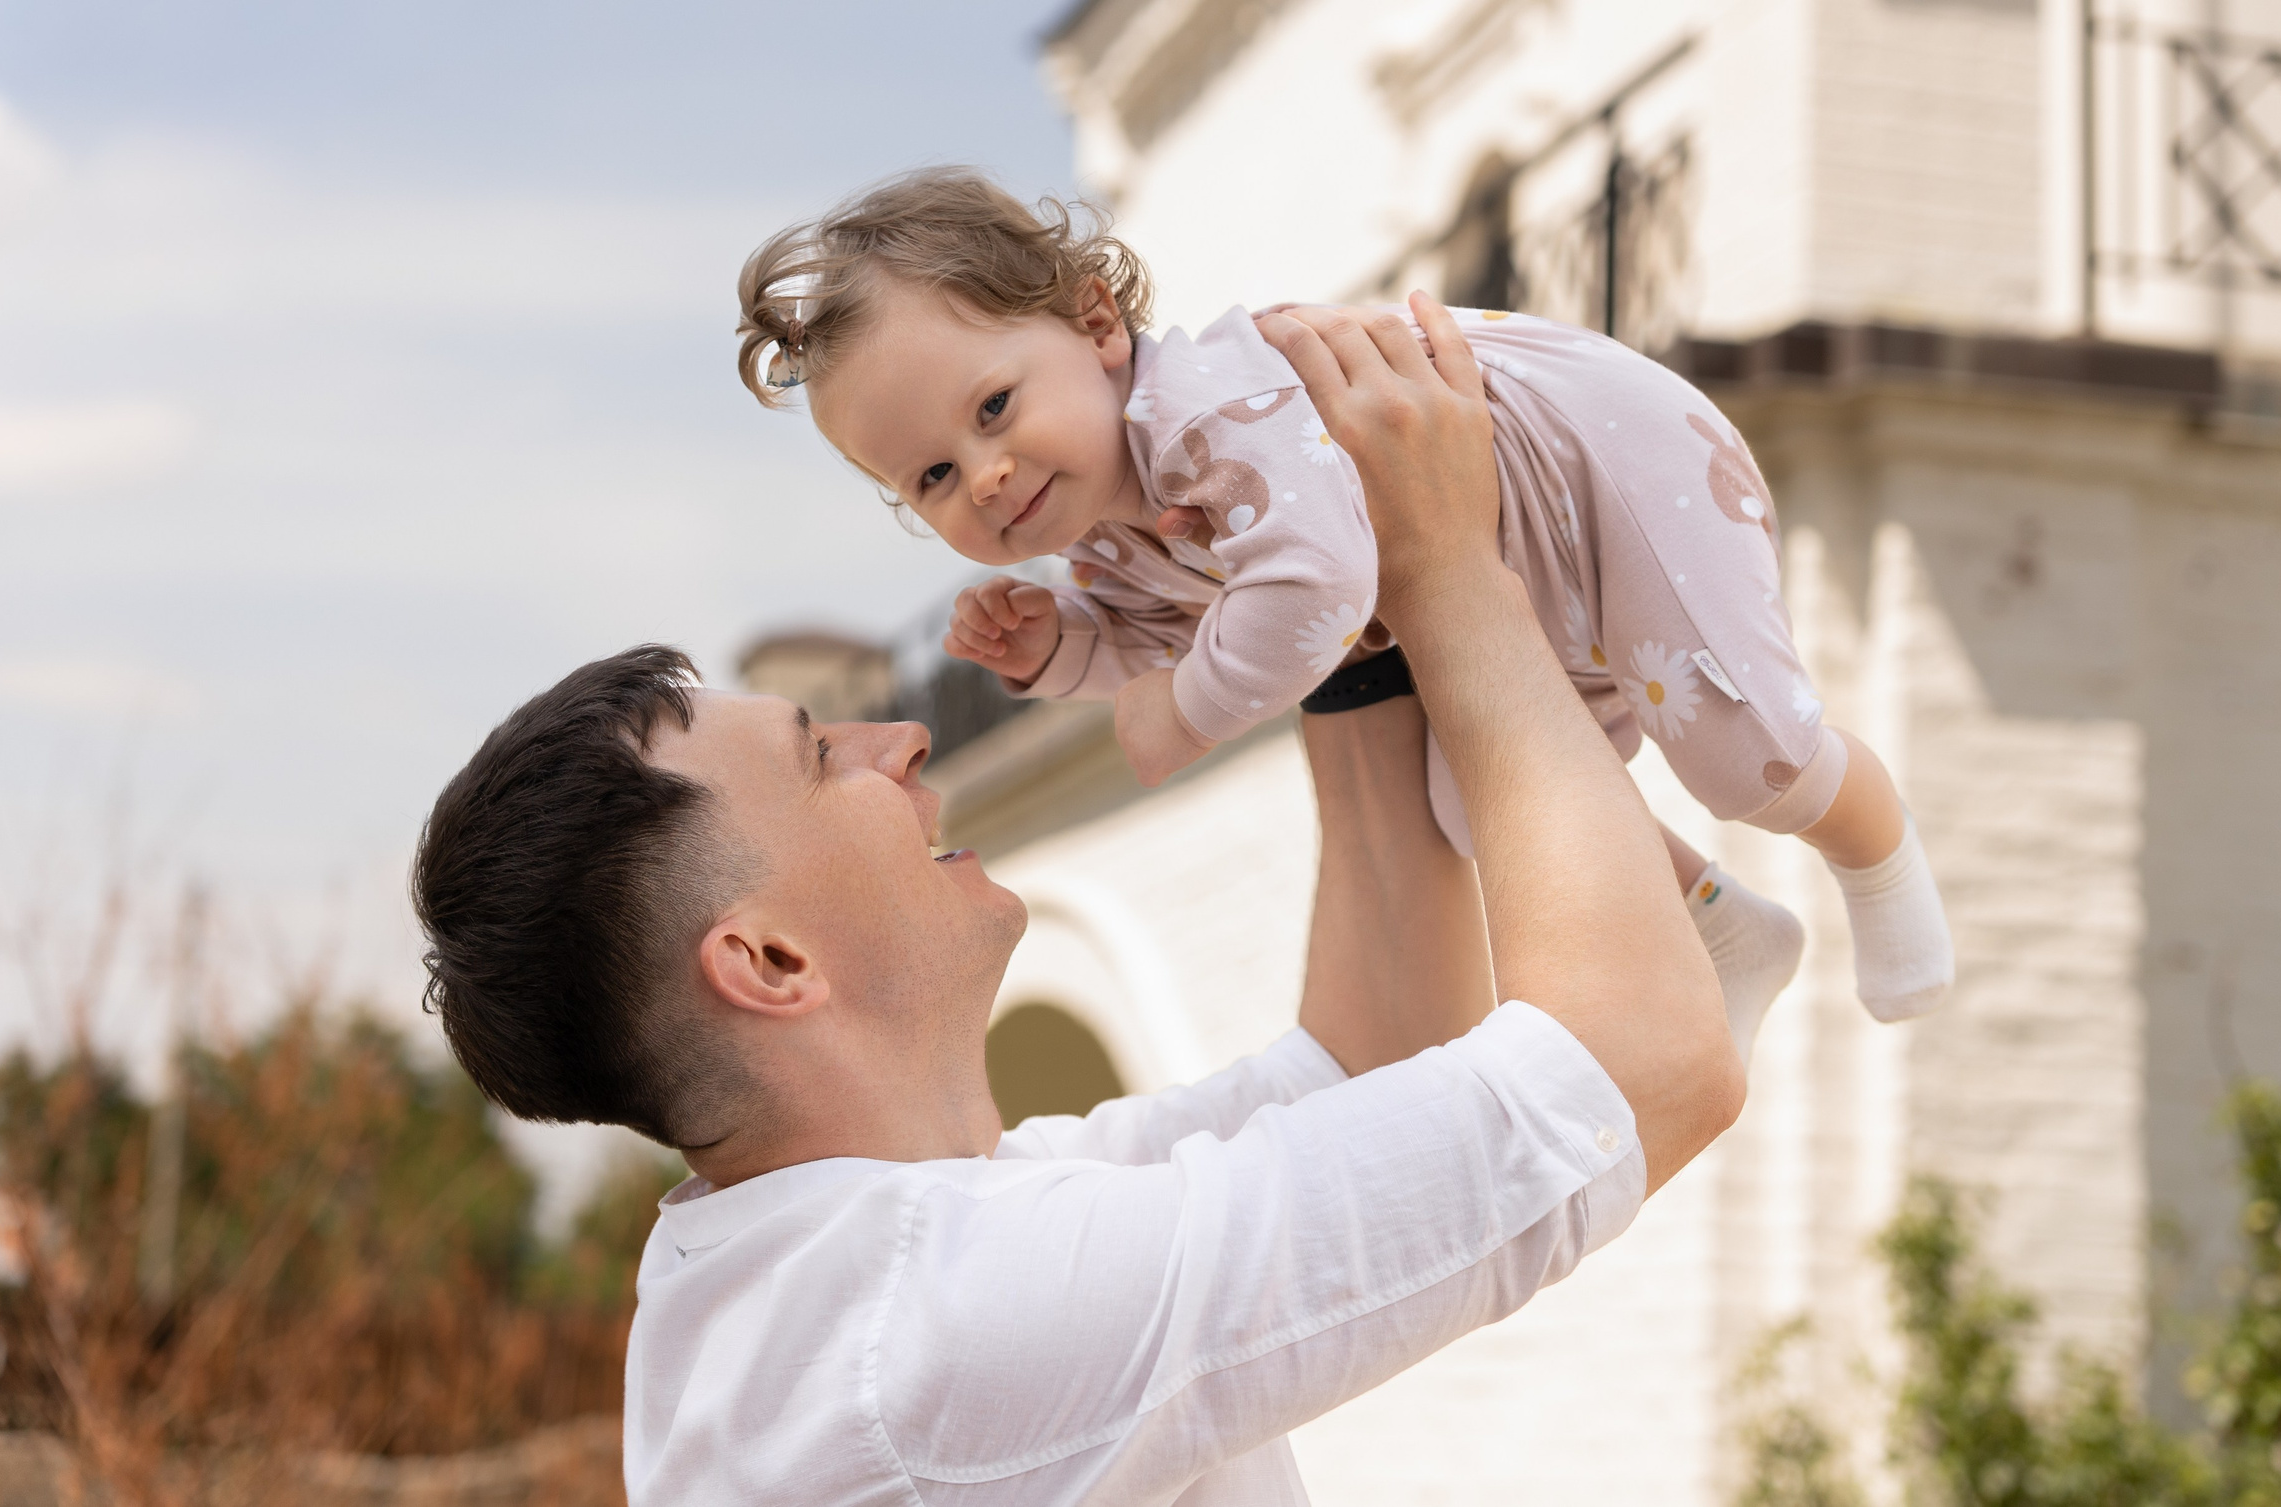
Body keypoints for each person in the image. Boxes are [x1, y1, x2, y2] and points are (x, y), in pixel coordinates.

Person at [413, 303, 1745, 1504]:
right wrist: (1458, 573)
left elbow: (1370, 1055)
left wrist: (1327, 573)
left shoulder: (878, 1252)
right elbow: (1643, 1063)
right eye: (824, 759)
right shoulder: (942, 1332)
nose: (904, 742)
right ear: (767, 958)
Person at [730, 169, 1952, 1058]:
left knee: (1750, 760)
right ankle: (1726, 932)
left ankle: (1876, 851)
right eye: (932, 478)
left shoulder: (1207, 412)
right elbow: (1180, 637)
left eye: (993, 407)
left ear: (1097, 325)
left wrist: (1184, 717)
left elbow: (1312, 593)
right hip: (1501, 558)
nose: (983, 474)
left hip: (1610, 466)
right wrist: (1066, 654)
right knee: (1480, 798)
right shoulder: (1104, 532)